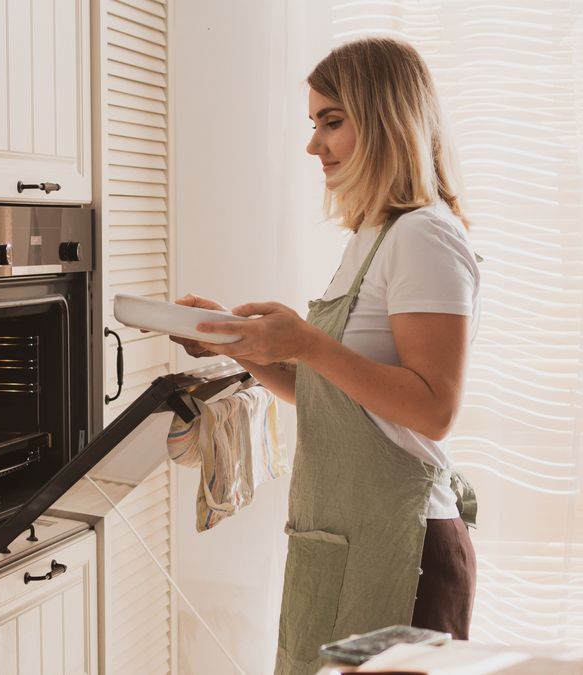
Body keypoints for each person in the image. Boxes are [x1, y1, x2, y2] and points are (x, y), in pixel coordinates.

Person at [173, 37, 480, 675]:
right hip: (343, 546)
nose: (315, 145)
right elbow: (339, 398)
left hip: (404, 551)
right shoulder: (374, 237)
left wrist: (307, 342)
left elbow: (433, 410)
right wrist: (247, 347)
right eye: (314, 124)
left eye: (333, 122)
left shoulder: (424, 236)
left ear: (388, 119)